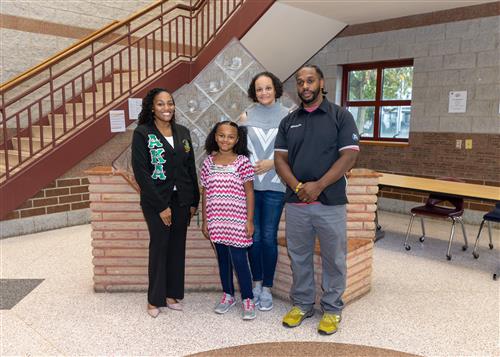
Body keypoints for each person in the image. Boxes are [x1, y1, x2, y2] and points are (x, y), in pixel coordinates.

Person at [274, 65, 360, 335]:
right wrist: (299, 186)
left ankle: (332, 308)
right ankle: (302, 304)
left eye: (310, 81)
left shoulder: (340, 116)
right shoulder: (289, 120)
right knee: (299, 255)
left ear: (321, 83)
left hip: (330, 202)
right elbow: (280, 160)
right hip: (297, 202)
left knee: (334, 257)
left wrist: (318, 185)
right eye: (300, 82)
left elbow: (349, 156)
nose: (305, 86)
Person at [131, 88, 200, 318]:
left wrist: (194, 201)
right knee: (160, 246)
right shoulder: (143, 133)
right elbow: (141, 172)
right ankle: (154, 300)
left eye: (170, 103)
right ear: (152, 107)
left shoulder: (183, 132)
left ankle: (171, 295)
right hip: (156, 200)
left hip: (182, 199)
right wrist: (161, 206)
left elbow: (190, 168)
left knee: (177, 247)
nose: (166, 108)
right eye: (160, 104)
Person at [239, 71, 288, 311]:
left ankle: (267, 288)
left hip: (276, 186)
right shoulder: (246, 116)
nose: (264, 92)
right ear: (254, 91)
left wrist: (272, 163)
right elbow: (238, 150)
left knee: (268, 237)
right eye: (259, 89)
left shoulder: (288, 115)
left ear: (276, 88)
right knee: (254, 238)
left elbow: (294, 150)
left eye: (268, 87)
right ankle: (256, 284)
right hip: (249, 187)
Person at [200, 121, 256, 320]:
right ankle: (228, 295)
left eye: (230, 136)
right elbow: (205, 192)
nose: (226, 140)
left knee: (240, 260)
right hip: (216, 220)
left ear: (237, 139)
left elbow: (249, 192)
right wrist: (205, 220)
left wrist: (249, 220)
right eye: (222, 135)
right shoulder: (208, 162)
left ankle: (248, 298)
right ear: (215, 137)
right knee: (223, 259)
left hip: (237, 221)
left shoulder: (242, 162)